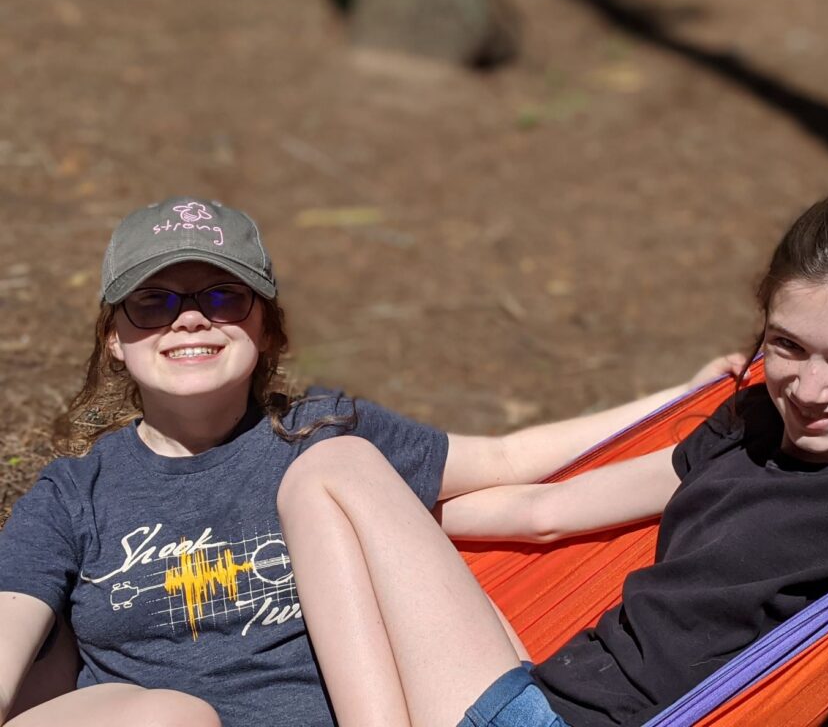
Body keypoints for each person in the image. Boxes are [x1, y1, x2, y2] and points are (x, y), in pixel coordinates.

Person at [0, 196, 742, 727]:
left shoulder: (324, 441)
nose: (189, 317)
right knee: (172, 717)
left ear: (268, 327)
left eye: (223, 295)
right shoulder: (76, 493)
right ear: (114, 339)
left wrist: (686, 403)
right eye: (151, 302)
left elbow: (514, 464)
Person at [274, 181, 828, 727]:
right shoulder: (754, 417)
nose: (809, 388)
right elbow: (545, 511)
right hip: (544, 691)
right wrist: (374, 533)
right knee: (333, 482)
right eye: (787, 346)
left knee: (331, 466)